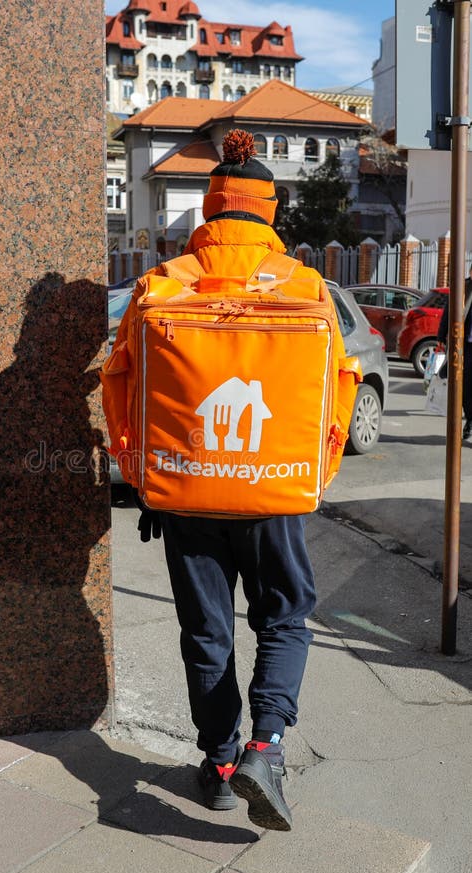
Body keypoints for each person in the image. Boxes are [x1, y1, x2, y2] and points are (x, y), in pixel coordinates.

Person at [133, 130, 325, 832]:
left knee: (206, 631)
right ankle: (265, 749)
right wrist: (308, 478)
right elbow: (335, 393)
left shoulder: (164, 282)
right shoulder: (305, 285)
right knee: (284, 617)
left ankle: (217, 766)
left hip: (187, 491)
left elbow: (125, 390)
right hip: (273, 493)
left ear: (210, 210)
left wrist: (149, 479)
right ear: (269, 213)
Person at [436, 264, 472, 440]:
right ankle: (470, 419)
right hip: (464, 345)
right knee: (464, 386)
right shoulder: (462, 288)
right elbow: (448, 313)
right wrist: (441, 336)